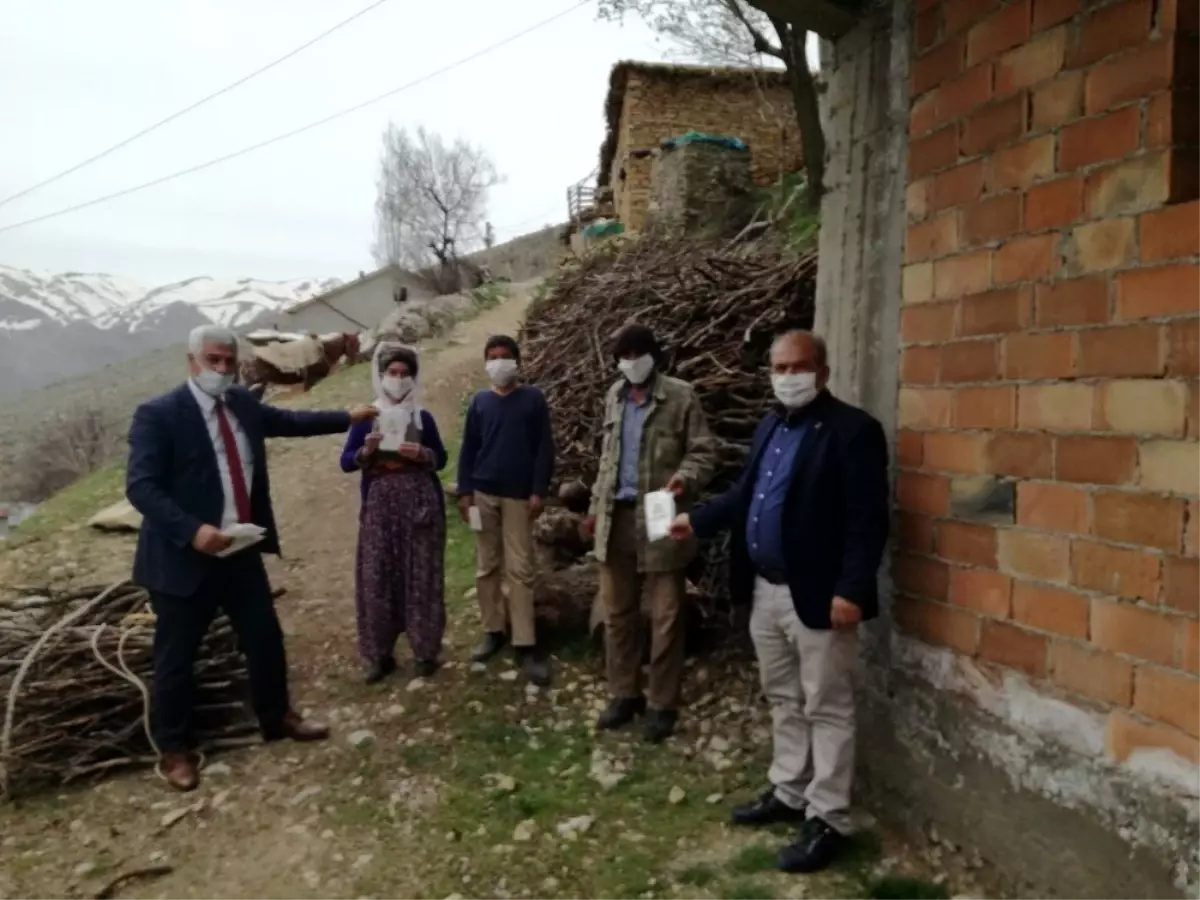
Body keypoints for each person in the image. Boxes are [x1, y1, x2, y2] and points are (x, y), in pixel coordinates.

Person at [669, 330, 889, 874]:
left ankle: (829, 815)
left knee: (828, 705)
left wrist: (851, 589)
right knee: (783, 697)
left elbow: (868, 520)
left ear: (823, 371)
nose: (789, 376)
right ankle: (789, 791)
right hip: (765, 589)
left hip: (819, 595)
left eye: (800, 366)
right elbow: (745, 497)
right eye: (780, 367)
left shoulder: (854, 432)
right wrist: (694, 520)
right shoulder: (770, 425)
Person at [126, 324, 379, 793]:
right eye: (212, 361)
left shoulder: (241, 403)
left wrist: (348, 417)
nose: (221, 370)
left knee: (264, 637)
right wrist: (192, 530)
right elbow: (140, 487)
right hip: (183, 560)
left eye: (228, 361)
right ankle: (174, 750)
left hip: (239, 550)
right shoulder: (158, 415)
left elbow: (286, 423)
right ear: (191, 362)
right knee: (176, 659)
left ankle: (277, 716)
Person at [582, 324, 716, 744]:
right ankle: (624, 694)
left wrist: (685, 479)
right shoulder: (614, 398)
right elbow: (606, 460)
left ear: (654, 356)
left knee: (667, 614)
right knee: (617, 612)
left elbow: (704, 452)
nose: (631, 361)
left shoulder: (681, 396)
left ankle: (662, 703)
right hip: (615, 516)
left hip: (659, 513)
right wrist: (592, 510)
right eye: (624, 354)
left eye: (638, 353)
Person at [340, 341, 449, 684]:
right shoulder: (366, 417)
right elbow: (346, 461)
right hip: (380, 507)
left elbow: (441, 458)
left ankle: (425, 651)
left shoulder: (422, 417)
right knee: (377, 577)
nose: (398, 379)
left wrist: (422, 455)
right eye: (392, 372)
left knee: (422, 576)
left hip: (419, 503)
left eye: (405, 373)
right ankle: (378, 654)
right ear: (381, 375)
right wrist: (364, 452)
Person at [455, 335, 555, 686]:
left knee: (521, 568)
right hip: (484, 494)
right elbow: (468, 449)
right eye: (492, 357)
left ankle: (525, 641)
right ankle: (493, 629)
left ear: (517, 361)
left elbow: (544, 448)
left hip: (518, 497)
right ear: (486, 363)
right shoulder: (480, 402)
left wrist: (539, 490)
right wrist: (465, 492)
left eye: (505, 357)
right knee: (487, 565)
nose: (499, 363)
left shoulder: (533, 399)